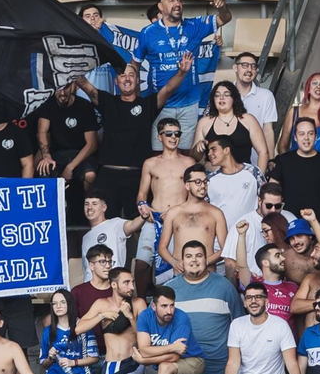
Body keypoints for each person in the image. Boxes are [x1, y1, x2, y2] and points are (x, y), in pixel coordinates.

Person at [77, 55, 191, 221]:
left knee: (141, 223)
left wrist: (182, 72)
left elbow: (168, 89)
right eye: (122, 75)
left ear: (137, 80)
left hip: (137, 176)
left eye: (131, 75)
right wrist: (68, 63)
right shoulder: (107, 101)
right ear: (116, 81)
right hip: (108, 175)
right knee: (105, 223)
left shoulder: (148, 104)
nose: (127, 79)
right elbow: (84, 84)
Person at [135, 0, 231, 149]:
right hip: (160, 104)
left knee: (186, 152)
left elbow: (225, 18)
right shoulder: (148, 33)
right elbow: (134, 65)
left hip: (189, 103)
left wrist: (222, 7)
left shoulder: (194, 25)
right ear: (160, 6)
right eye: (171, 0)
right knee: (159, 153)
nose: (177, 3)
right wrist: (137, 96)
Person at [169, 239, 246, 374]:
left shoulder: (224, 287)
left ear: (206, 259)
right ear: (182, 261)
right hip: (178, 366)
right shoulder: (169, 289)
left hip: (214, 369)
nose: (194, 260)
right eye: (189, 256)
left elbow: (240, 326)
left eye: (199, 256)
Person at [137, 117, 201, 287]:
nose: (173, 137)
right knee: (141, 264)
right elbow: (142, 194)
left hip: (179, 220)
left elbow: (195, 194)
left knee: (177, 265)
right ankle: (142, 303)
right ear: (160, 137)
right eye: (169, 133)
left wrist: (179, 211)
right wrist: (143, 207)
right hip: (154, 219)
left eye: (177, 133)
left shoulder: (189, 162)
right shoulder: (150, 163)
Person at [214, 281, 301, 374]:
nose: (253, 301)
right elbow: (233, 362)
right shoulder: (236, 325)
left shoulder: (281, 325)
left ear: (267, 301)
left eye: (258, 297)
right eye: (249, 298)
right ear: (244, 303)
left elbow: (291, 363)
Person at [81, 266, 147, 374]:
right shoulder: (101, 304)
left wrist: (129, 316)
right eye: (126, 283)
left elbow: (143, 337)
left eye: (132, 282)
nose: (132, 287)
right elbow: (79, 328)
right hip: (110, 363)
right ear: (114, 284)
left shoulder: (139, 303)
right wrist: (101, 316)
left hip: (132, 362)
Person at [135, 285, 206, 374]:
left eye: (172, 305)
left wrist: (145, 360)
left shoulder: (181, 318)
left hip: (193, 360)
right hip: (170, 361)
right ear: (154, 306)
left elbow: (173, 357)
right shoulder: (145, 316)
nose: (169, 311)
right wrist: (172, 347)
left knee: (165, 368)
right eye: (164, 306)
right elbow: (143, 350)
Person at [158, 165, 227, 280]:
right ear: (187, 185)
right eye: (198, 182)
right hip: (180, 274)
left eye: (205, 182)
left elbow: (225, 249)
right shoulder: (174, 212)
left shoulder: (216, 213)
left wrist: (205, 262)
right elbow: (162, 247)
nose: (203, 186)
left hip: (208, 275)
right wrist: (174, 262)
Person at [201, 136, 263, 256]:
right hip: (220, 241)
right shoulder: (209, 180)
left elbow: (265, 199)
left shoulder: (253, 172)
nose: (209, 154)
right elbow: (203, 208)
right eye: (208, 151)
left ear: (226, 150)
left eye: (213, 149)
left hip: (252, 236)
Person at [34, 82, 100, 192]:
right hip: (57, 154)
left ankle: (88, 205)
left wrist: (70, 167)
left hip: (81, 154)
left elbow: (92, 144)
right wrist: (46, 156)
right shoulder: (48, 104)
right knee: (44, 169)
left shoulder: (84, 106)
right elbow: (42, 132)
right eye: (59, 89)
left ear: (74, 86)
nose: (63, 93)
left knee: (90, 175)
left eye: (66, 88)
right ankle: (51, 208)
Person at [195, 81, 269, 170]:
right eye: (217, 95)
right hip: (213, 178)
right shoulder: (204, 122)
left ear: (234, 98)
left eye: (226, 95)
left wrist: (258, 178)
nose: (221, 98)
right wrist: (198, 147)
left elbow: (263, 152)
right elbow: (195, 157)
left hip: (242, 177)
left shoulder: (248, 120)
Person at [40, 289, 100, 374]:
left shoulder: (82, 327)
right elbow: (43, 363)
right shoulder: (48, 331)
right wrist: (50, 357)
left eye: (62, 302)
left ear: (69, 304)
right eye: (54, 303)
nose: (58, 306)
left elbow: (94, 358)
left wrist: (73, 362)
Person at [235, 236, 297, 327]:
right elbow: (242, 265)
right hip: (260, 339)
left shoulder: (293, 287)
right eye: (277, 256)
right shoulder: (254, 284)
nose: (283, 258)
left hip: (287, 340)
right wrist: (241, 234)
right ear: (265, 262)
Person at [234, 51, 279, 159]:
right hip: (229, 160)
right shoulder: (225, 94)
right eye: (245, 65)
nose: (249, 70)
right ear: (235, 68)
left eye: (253, 66)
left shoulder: (266, 96)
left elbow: (268, 131)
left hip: (257, 160)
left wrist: (271, 160)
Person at [278, 72, 320, 154]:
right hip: (296, 164)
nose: (318, 86)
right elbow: (283, 145)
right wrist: (288, 163)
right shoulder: (294, 112)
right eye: (314, 83)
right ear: (308, 89)